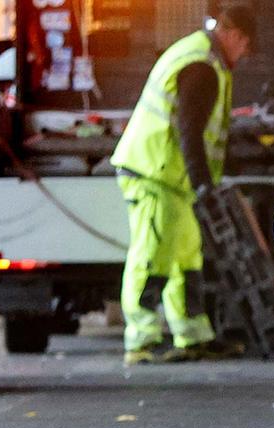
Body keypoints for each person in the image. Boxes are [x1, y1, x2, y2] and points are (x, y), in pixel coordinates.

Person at [110, 8, 256, 366]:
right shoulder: (202, 67)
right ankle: (141, 340)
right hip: (154, 172)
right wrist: (203, 184)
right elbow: (188, 131)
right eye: (246, 47)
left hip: (170, 179)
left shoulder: (203, 59)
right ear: (234, 35)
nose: (245, 55)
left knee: (185, 255)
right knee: (153, 253)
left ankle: (192, 335)